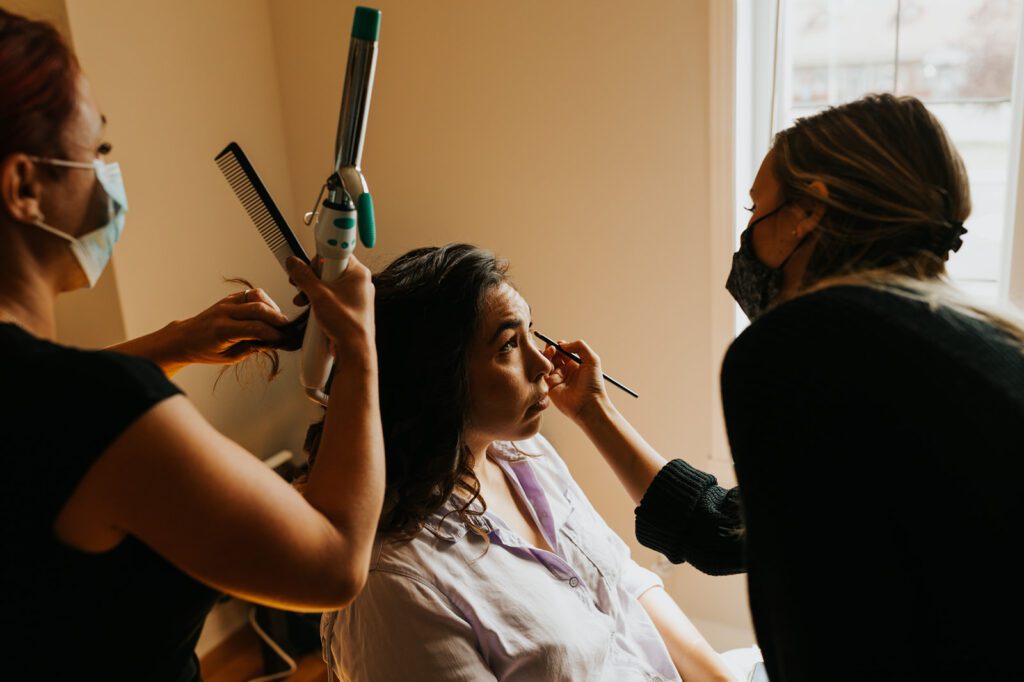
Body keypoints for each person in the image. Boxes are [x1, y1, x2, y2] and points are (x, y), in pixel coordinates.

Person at [541, 94, 1024, 680]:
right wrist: (593, 411)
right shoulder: (987, 338)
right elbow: (734, 530)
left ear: (808, 211)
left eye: (755, 209)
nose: (746, 233)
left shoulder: (798, 348)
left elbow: (812, 627)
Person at [0, 10, 385, 681]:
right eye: (95, 153)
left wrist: (179, 340)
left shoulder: (51, 396)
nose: (105, 177)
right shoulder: (109, 413)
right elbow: (336, 561)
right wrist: (359, 350)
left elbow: (42, 409)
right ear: (25, 187)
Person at [288, 244, 738, 682]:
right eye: (508, 345)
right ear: (438, 377)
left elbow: (621, 581)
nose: (544, 363)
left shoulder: (527, 457)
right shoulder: (395, 583)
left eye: (532, 333)